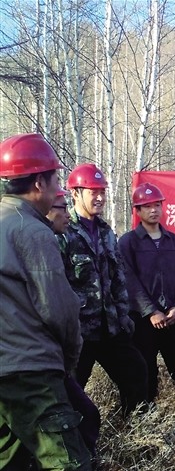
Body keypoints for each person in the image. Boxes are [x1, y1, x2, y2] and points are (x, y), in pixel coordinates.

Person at [0, 133, 92, 471]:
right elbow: (60, 310)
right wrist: (69, 359)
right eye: (55, 178)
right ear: (39, 182)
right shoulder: (33, 232)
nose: (58, 189)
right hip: (31, 373)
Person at [60, 162, 149, 416]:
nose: (99, 198)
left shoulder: (106, 232)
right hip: (79, 332)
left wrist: (124, 316)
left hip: (110, 326)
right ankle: (77, 436)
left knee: (136, 372)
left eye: (102, 192)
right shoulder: (63, 231)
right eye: (93, 192)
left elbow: (118, 277)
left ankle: (134, 429)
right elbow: (56, 284)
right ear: (75, 193)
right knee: (70, 390)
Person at [118, 182, 175, 408]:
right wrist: (151, 311)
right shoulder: (128, 242)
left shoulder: (173, 241)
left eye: (157, 205)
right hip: (143, 320)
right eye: (147, 206)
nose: (153, 210)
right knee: (143, 370)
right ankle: (143, 418)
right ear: (138, 211)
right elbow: (130, 281)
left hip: (173, 317)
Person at [46, 188, 101, 455]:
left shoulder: (50, 239)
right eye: (61, 208)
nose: (67, 214)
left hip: (64, 348)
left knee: (86, 414)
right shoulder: (40, 244)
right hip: (39, 360)